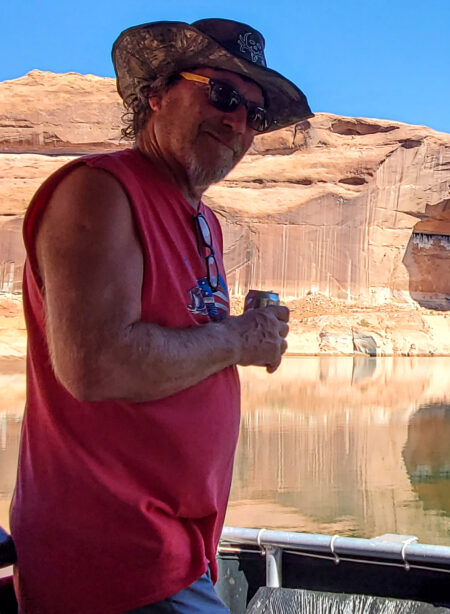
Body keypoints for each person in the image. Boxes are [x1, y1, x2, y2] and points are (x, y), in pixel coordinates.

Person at [10, 19, 313, 613]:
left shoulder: (203, 219)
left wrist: (245, 337)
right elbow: (98, 365)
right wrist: (237, 339)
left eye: (254, 114)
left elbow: (187, 338)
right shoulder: (99, 191)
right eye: (222, 95)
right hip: (112, 558)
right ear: (156, 92)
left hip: (175, 549)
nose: (237, 123)